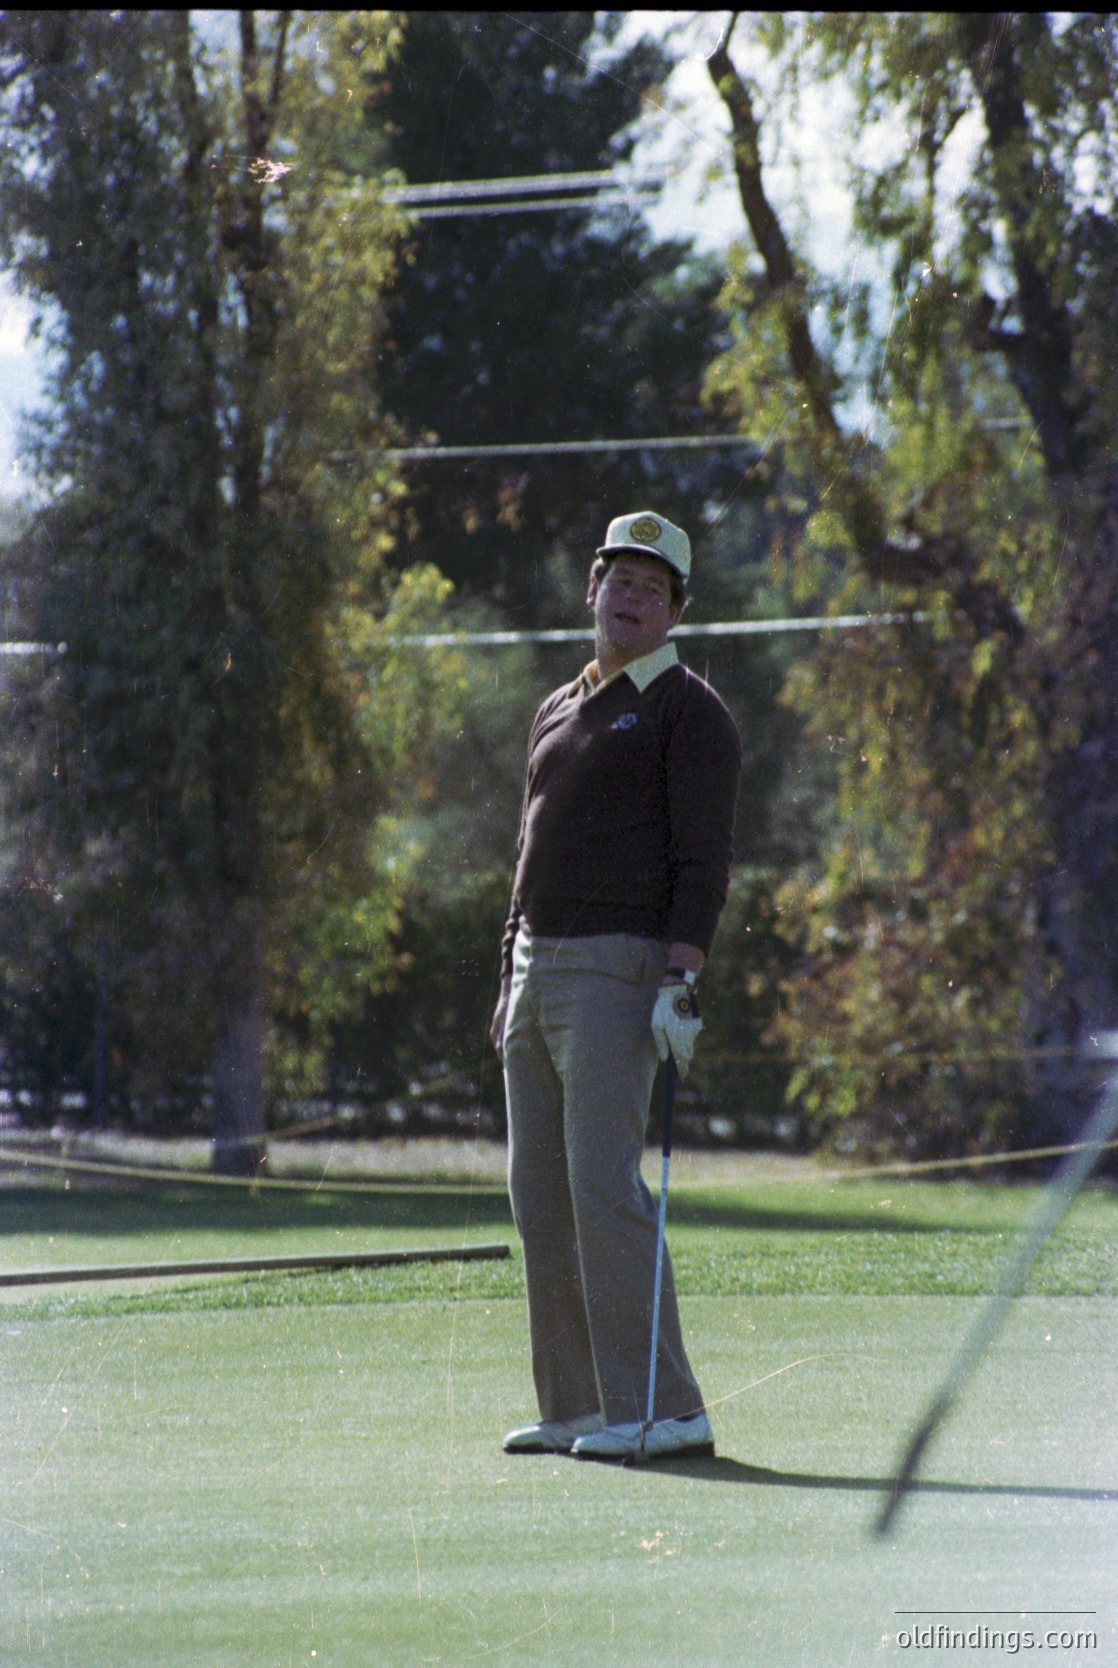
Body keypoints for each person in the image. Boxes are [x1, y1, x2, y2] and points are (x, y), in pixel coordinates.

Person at [491, 511, 742, 1461]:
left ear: (675, 611)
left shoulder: (689, 709)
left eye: (652, 588)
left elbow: (703, 859)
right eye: (618, 580)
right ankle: (579, 1408)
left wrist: (681, 976)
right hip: (535, 967)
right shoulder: (557, 707)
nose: (630, 598)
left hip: (618, 965)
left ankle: (665, 1408)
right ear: (591, 589)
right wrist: (507, 972)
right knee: (539, 1197)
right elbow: (526, 853)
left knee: (601, 1188)